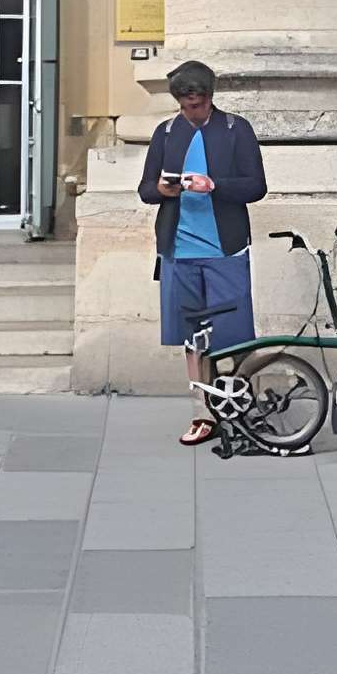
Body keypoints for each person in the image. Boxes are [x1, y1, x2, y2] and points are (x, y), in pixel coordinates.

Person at [134, 59, 266, 446]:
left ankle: (240, 404)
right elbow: (145, 189)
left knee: (236, 332)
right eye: (188, 105)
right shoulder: (166, 132)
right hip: (178, 249)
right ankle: (202, 413)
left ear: (210, 97)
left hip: (226, 248)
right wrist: (162, 190)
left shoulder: (235, 129)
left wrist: (215, 185)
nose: (195, 111)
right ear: (178, 102)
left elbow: (256, 186)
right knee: (192, 335)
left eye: (200, 103)